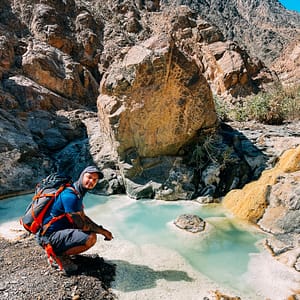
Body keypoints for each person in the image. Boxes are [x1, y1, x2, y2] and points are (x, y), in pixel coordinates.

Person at [36, 166, 113, 274]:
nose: (91, 181)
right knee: (90, 238)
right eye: (89, 177)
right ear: (82, 176)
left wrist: (102, 230)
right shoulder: (70, 196)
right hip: (48, 237)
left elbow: (83, 216)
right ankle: (58, 255)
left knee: (88, 231)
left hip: (54, 232)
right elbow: (82, 225)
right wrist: (104, 232)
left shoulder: (76, 192)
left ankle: (61, 249)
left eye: (95, 180)